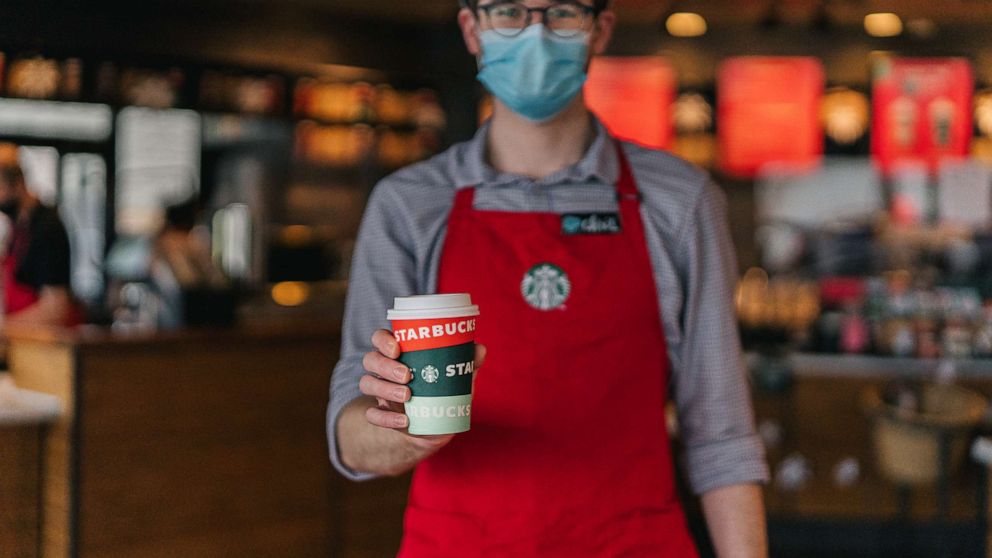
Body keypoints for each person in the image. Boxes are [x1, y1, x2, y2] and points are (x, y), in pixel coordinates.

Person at [328, 1, 770, 556]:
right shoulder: (409, 206)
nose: (534, 35)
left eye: (562, 13)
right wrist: (401, 432)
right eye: (508, 11)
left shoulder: (679, 202)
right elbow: (351, 435)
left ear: (599, 30)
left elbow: (721, 435)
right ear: (472, 29)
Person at [0, 157, 77, 327]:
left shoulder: (47, 228)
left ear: (19, 184)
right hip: (22, 339)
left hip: (44, 346)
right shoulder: (18, 227)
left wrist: (5, 328)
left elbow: (56, 308)